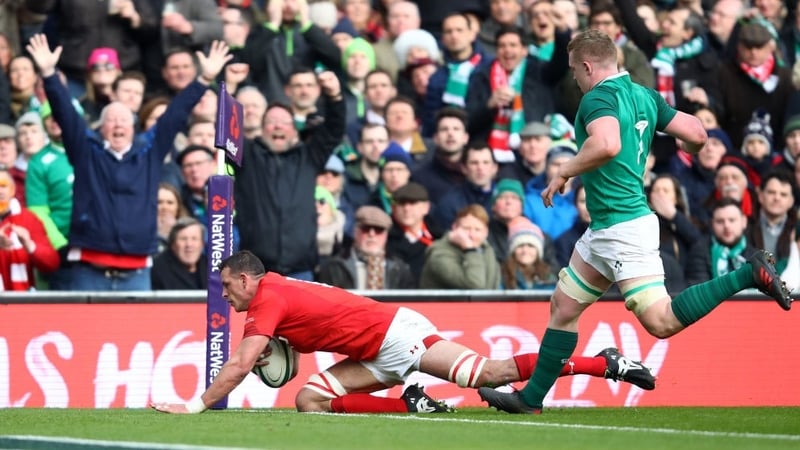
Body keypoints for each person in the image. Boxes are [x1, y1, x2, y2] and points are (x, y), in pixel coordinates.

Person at [478, 29, 792, 415]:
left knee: (661, 323)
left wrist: (565, 170)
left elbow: (607, 143)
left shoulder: (597, 98)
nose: (574, 78)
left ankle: (748, 275)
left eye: (576, 70)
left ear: (588, 66)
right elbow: (696, 132)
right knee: (563, 306)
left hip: (622, 227)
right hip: (606, 229)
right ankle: (531, 399)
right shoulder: (643, 95)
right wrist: (689, 148)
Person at [150, 250, 655, 415]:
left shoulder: (267, 298)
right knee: (308, 401)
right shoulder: (276, 293)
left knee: (487, 373)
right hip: (372, 350)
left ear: (245, 278)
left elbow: (239, 365)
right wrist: (276, 358)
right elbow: (294, 365)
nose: (227, 299)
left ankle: (604, 363)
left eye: (226, 289)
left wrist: (194, 405)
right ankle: (413, 405)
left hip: (394, 335)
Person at [27, 34, 231, 291]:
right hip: (89, 270)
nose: (118, 125)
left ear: (134, 128)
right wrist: (48, 73)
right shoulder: (86, 152)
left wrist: (202, 80)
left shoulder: (149, 151)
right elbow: (65, 114)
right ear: (100, 128)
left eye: (124, 120)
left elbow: (174, 115)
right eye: (111, 120)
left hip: (137, 272)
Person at [317, 205, 414, 289]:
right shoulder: (333, 267)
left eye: (378, 230)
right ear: (355, 231)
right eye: (366, 229)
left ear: (386, 235)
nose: (372, 234)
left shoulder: (400, 269)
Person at [420, 204, 501, 289]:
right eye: (466, 228)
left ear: (486, 232)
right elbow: (474, 284)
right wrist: (470, 250)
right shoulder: (439, 254)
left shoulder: (488, 250)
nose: (471, 235)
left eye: (477, 229)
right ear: (454, 227)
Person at [151, 217, 208, 290]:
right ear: (173, 244)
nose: (189, 244)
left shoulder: (211, 267)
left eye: (194, 239)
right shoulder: (158, 269)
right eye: (183, 239)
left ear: (202, 244)